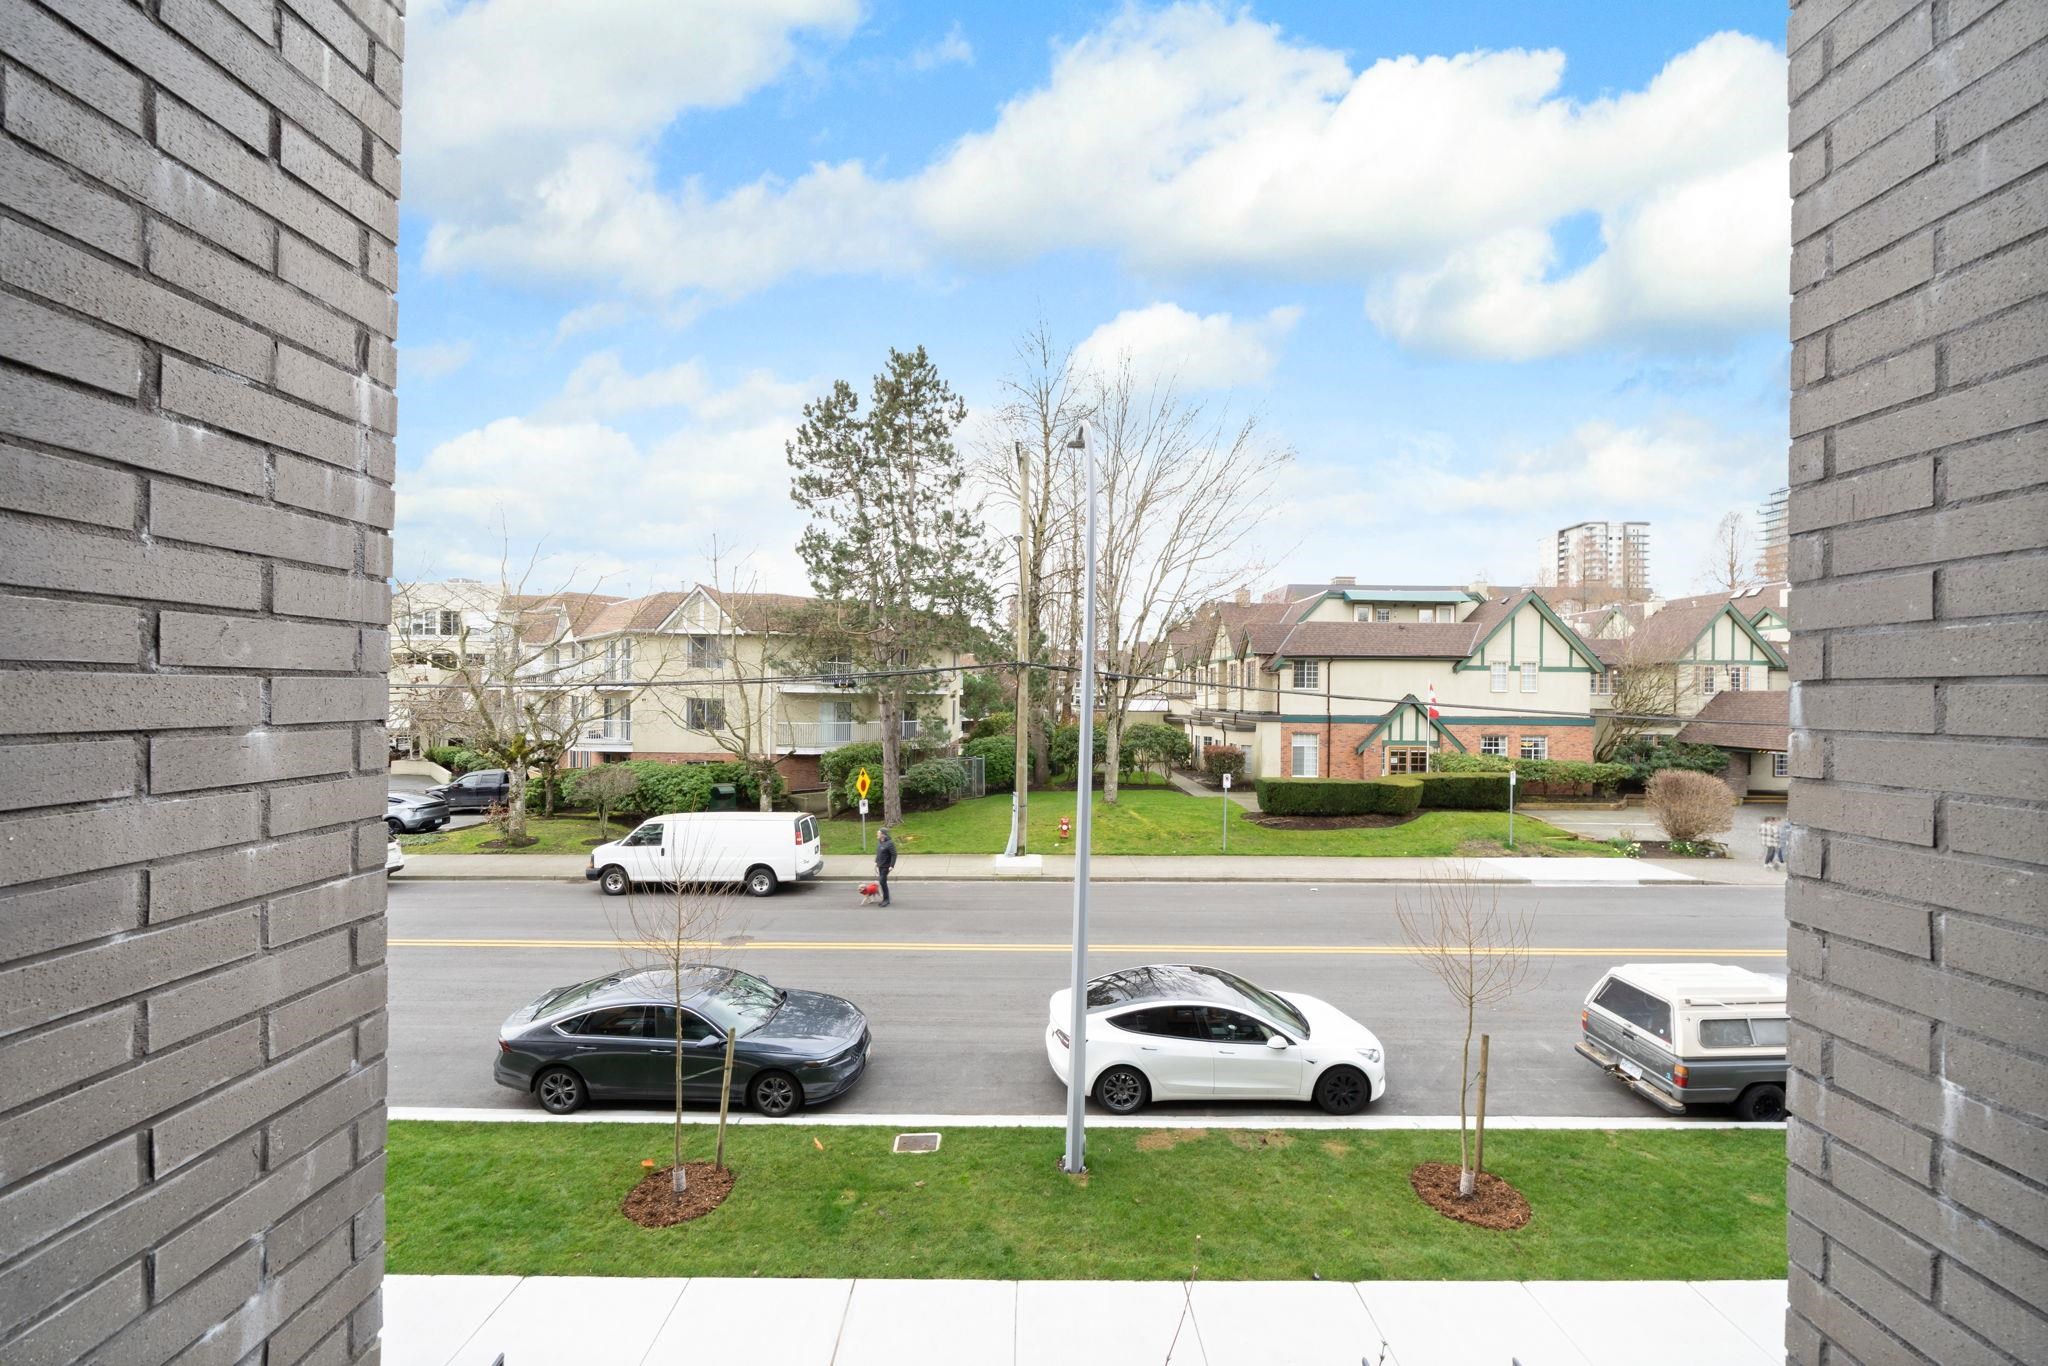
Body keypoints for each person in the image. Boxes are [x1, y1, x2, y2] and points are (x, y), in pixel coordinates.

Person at [874, 828, 897, 906]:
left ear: (883, 835)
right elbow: (878, 853)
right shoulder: (880, 841)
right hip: (880, 865)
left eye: (878, 833)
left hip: (886, 866)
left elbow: (894, 854)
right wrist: (876, 862)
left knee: (882, 882)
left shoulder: (890, 843)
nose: (877, 834)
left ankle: (886, 900)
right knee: (882, 882)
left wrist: (892, 865)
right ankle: (886, 898)